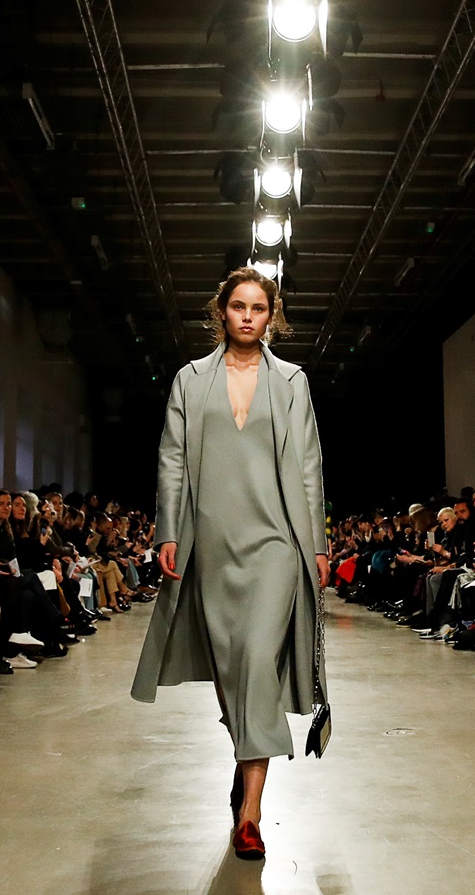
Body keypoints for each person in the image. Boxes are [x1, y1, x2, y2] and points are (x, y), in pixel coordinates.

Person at [131, 266, 328, 861]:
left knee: (257, 660)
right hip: (211, 543)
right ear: (222, 311)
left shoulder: (292, 381)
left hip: (276, 544)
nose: (248, 316)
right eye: (239, 306)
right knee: (230, 668)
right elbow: (171, 459)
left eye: (258, 308)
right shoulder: (191, 380)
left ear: (272, 317)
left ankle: (251, 814)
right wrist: (168, 530)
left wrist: (316, 544)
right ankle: (248, 761)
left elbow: (309, 466)